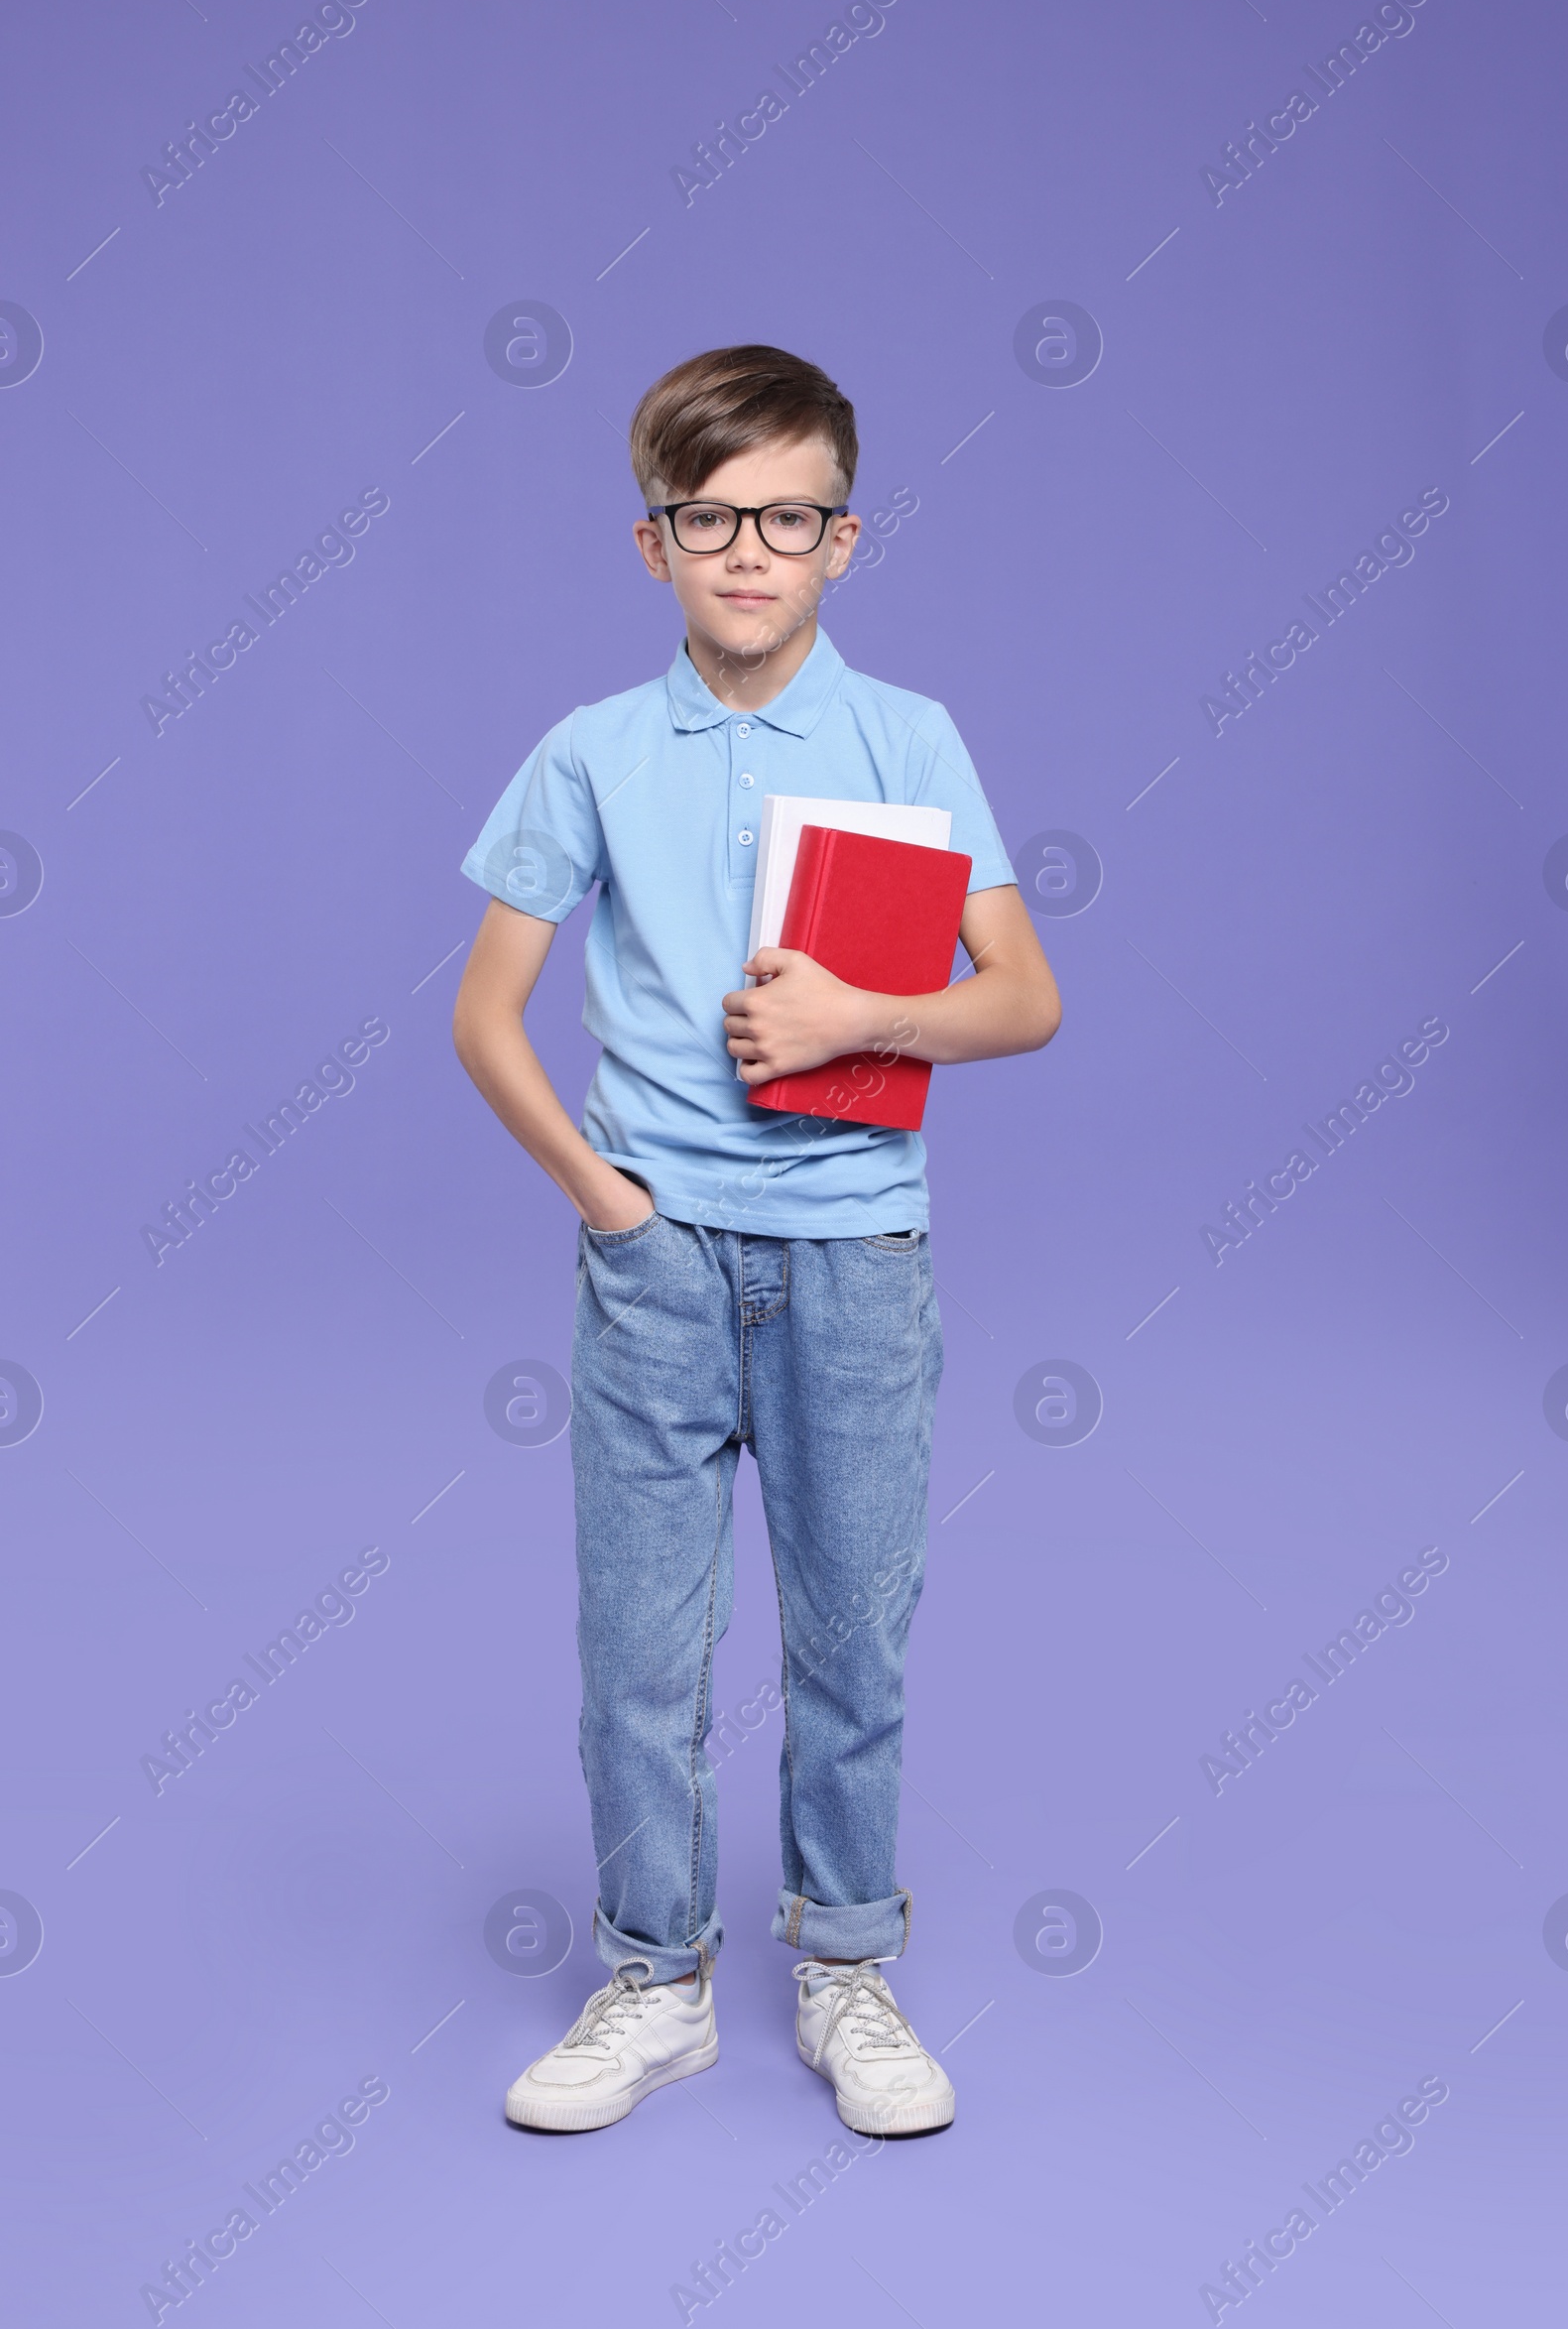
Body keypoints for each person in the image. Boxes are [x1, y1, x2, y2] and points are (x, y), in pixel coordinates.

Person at [452, 343, 1060, 2137]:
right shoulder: (591, 752)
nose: (746, 551)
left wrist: (858, 1017)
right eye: (706, 517)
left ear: (844, 541)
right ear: (653, 544)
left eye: (785, 517)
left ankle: (847, 1966)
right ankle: (654, 1981)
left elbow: (1022, 997)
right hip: (657, 1263)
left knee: (853, 1637)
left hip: (856, 1251)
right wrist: (605, 1200)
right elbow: (488, 1015)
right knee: (637, 1648)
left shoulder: (910, 736)